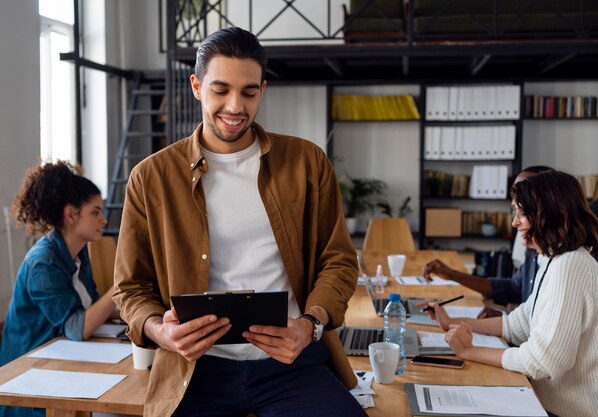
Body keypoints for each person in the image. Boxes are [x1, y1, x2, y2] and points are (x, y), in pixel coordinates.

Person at [112, 27, 365, 417]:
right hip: (194, 371)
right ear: (196, 86)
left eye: (249, 92)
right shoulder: (151, 177)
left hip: (292, 364)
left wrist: (311, 324)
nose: (235, 106)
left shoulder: (307, 162)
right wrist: (159, 331)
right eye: (220, 90)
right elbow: (130, 288)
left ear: (262, 90)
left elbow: (340, 261)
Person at [425, 170, 598, 417]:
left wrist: (468, 352)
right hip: (552, 404)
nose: (515, 222)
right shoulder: (552, 260)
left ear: (546, 215)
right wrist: (453, 323)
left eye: (521, 214)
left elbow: (542, 361)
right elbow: (517, 324)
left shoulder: (570, 266)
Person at [423, 166, 598, 326]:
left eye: (524, 200)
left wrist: (501, 324)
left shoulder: (584, 258)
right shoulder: (543, 251)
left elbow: (572, 327)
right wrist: (453, 275)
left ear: (549, 201)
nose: (516, 214)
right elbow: (516, 290)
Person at [0, 161, 118, 417]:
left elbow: (94, 306)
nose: (103, 219)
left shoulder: (78, 252)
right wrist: (120, 286)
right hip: (29, 384)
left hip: (64, 363)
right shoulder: (43, 262)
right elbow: (77, 327)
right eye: (95, 212)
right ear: (71, 215)